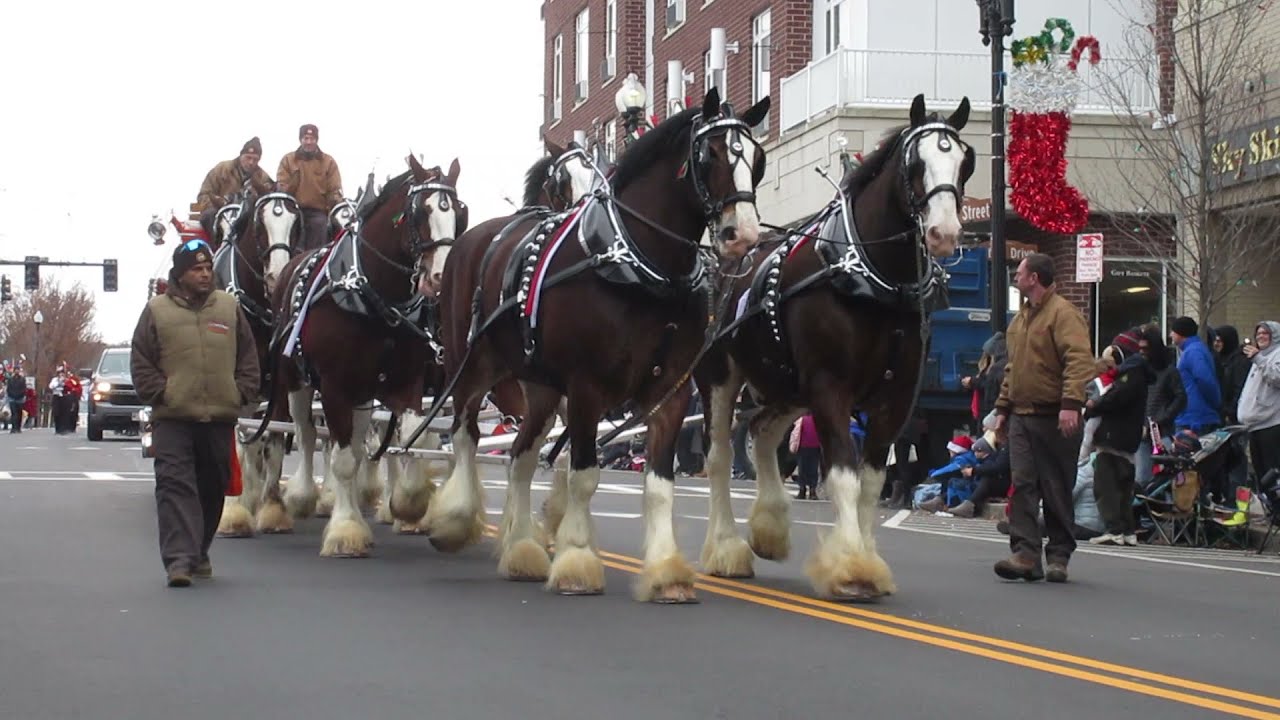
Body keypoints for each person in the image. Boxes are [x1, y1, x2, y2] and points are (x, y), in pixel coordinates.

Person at [130, 239, 260, 588]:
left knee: (212, 487)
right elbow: (141, 360)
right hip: (173, 418)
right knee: (174, 486)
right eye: (196, 270)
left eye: (207, 269)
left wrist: (242, 393)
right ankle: (178, 561)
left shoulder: (229, 307)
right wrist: (162, 392)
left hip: (218, 417)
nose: (204, 274)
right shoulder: (157, 310)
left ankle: (199, 550)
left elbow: (248, 357)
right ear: (180, 274)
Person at [992, 253, 1094, 584]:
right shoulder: (1019, 320)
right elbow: (1012, 369)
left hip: (1054, 415)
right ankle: (1025, 554)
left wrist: (1070, 404)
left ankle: (1060, 555)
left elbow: (1079, 360)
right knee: (1022, 484)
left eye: (1019, 273)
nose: (1015, 277)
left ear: (1034, 278)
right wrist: (1003, 409)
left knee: (1056, 487)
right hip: (1022, 414)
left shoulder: (1064, 315)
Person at [1084, 329, 1152, 546]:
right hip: (1128, 436)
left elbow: (1115, 398)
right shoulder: (1139, 373)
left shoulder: (1129, 374)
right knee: (1124, 486)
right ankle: (1127, 530)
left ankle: (1114, 529)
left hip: (1114, 435)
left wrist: (1094, 406)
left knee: (1106, 485)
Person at [277, 123, 344, 251]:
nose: (308, 142)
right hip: (292, 210)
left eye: (312, 138)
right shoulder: (288, 160)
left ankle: (316, 261)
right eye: (305, 138)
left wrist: (336, 202)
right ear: (300, 140)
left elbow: (334, 189)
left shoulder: (328, 162)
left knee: (321, 225)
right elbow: (281, 186)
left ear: (316, 140)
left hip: (317, 212)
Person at [195, 137, 275, 243]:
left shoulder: (262, 177)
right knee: (209, 215)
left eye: (255, 159)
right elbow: (204, 194)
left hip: (247, 218)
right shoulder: (222, 169)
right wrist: (218, 206)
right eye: (248, 157)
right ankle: (218, 248)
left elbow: (269, 199)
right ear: (241, 155)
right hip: (221, 213)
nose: (251, 162)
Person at [1135, 326, 1184, 490]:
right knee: (1142, 477)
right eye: (1139, 348)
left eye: (1145, 348)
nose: (1142, 352)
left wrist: (1163, 418)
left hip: (1162, 432)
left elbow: (1181, 398)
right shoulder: (1139, 370)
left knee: (1166, 478)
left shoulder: (1169, 372)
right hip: (1141, 431)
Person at [1237, 321, 1280, 485]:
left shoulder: (1274, 354)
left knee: (1272, 473)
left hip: (1271, 425)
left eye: (1265, 333)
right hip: (1255, 426)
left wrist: (1258, 358)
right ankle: (1267, 506)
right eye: (1258, 333)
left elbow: (1277, 377)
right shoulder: (1260, 356)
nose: (1260, 336)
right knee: (1260, 475)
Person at [1169, 316, 1221, 435]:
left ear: (1180, 333)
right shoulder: (1194, 350)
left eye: (1173, 331)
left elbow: (1205, 380)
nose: (1171, 335)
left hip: (1195, 419)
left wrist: (1214, 403)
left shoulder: (1193, 352)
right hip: (1194, 416)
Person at [948, 437, 1010, 518]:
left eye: (978, 451)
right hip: (1001, 480)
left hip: (1005, 482)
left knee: (986, 479)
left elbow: (997, 467)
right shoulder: (1001, 447)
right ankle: (942, 500)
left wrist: (974, 471)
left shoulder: (1005, 448)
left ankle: (969, 505)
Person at [6, 367, 26, 433]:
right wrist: (11, 395)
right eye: (16, 370)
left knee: (19, 413)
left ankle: (18, 427)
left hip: (20, 398)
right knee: (13, 413)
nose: (17, 371)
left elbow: (24, 388)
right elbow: (8, 388)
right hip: (12, 398)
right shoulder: (10, 379)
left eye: (18, 370)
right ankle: (13, 428)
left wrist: (21, 395)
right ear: (14, 371)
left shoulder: (22, 379)